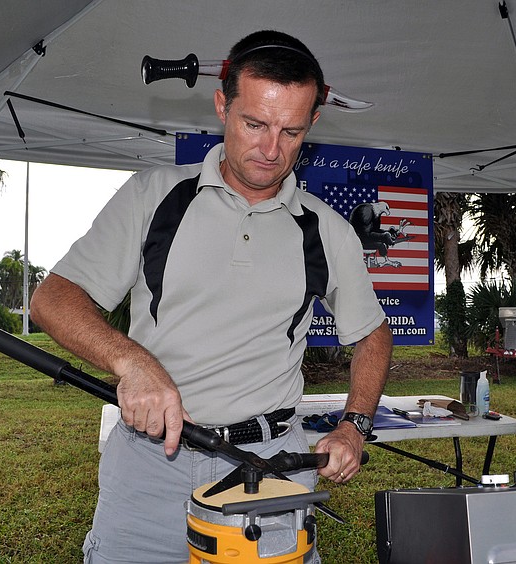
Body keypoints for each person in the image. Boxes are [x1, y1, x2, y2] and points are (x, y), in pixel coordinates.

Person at [30, 29, 392, 563]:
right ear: (222, 105)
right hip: (148, 470)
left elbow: (372, 334)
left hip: (265, 469)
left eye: (291, 131)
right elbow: (53, 298)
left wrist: (354, 426)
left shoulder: (327, 229)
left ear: (313, 121)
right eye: (255, 124)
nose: (271, 150)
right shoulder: (153, 195)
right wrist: (132, 362)